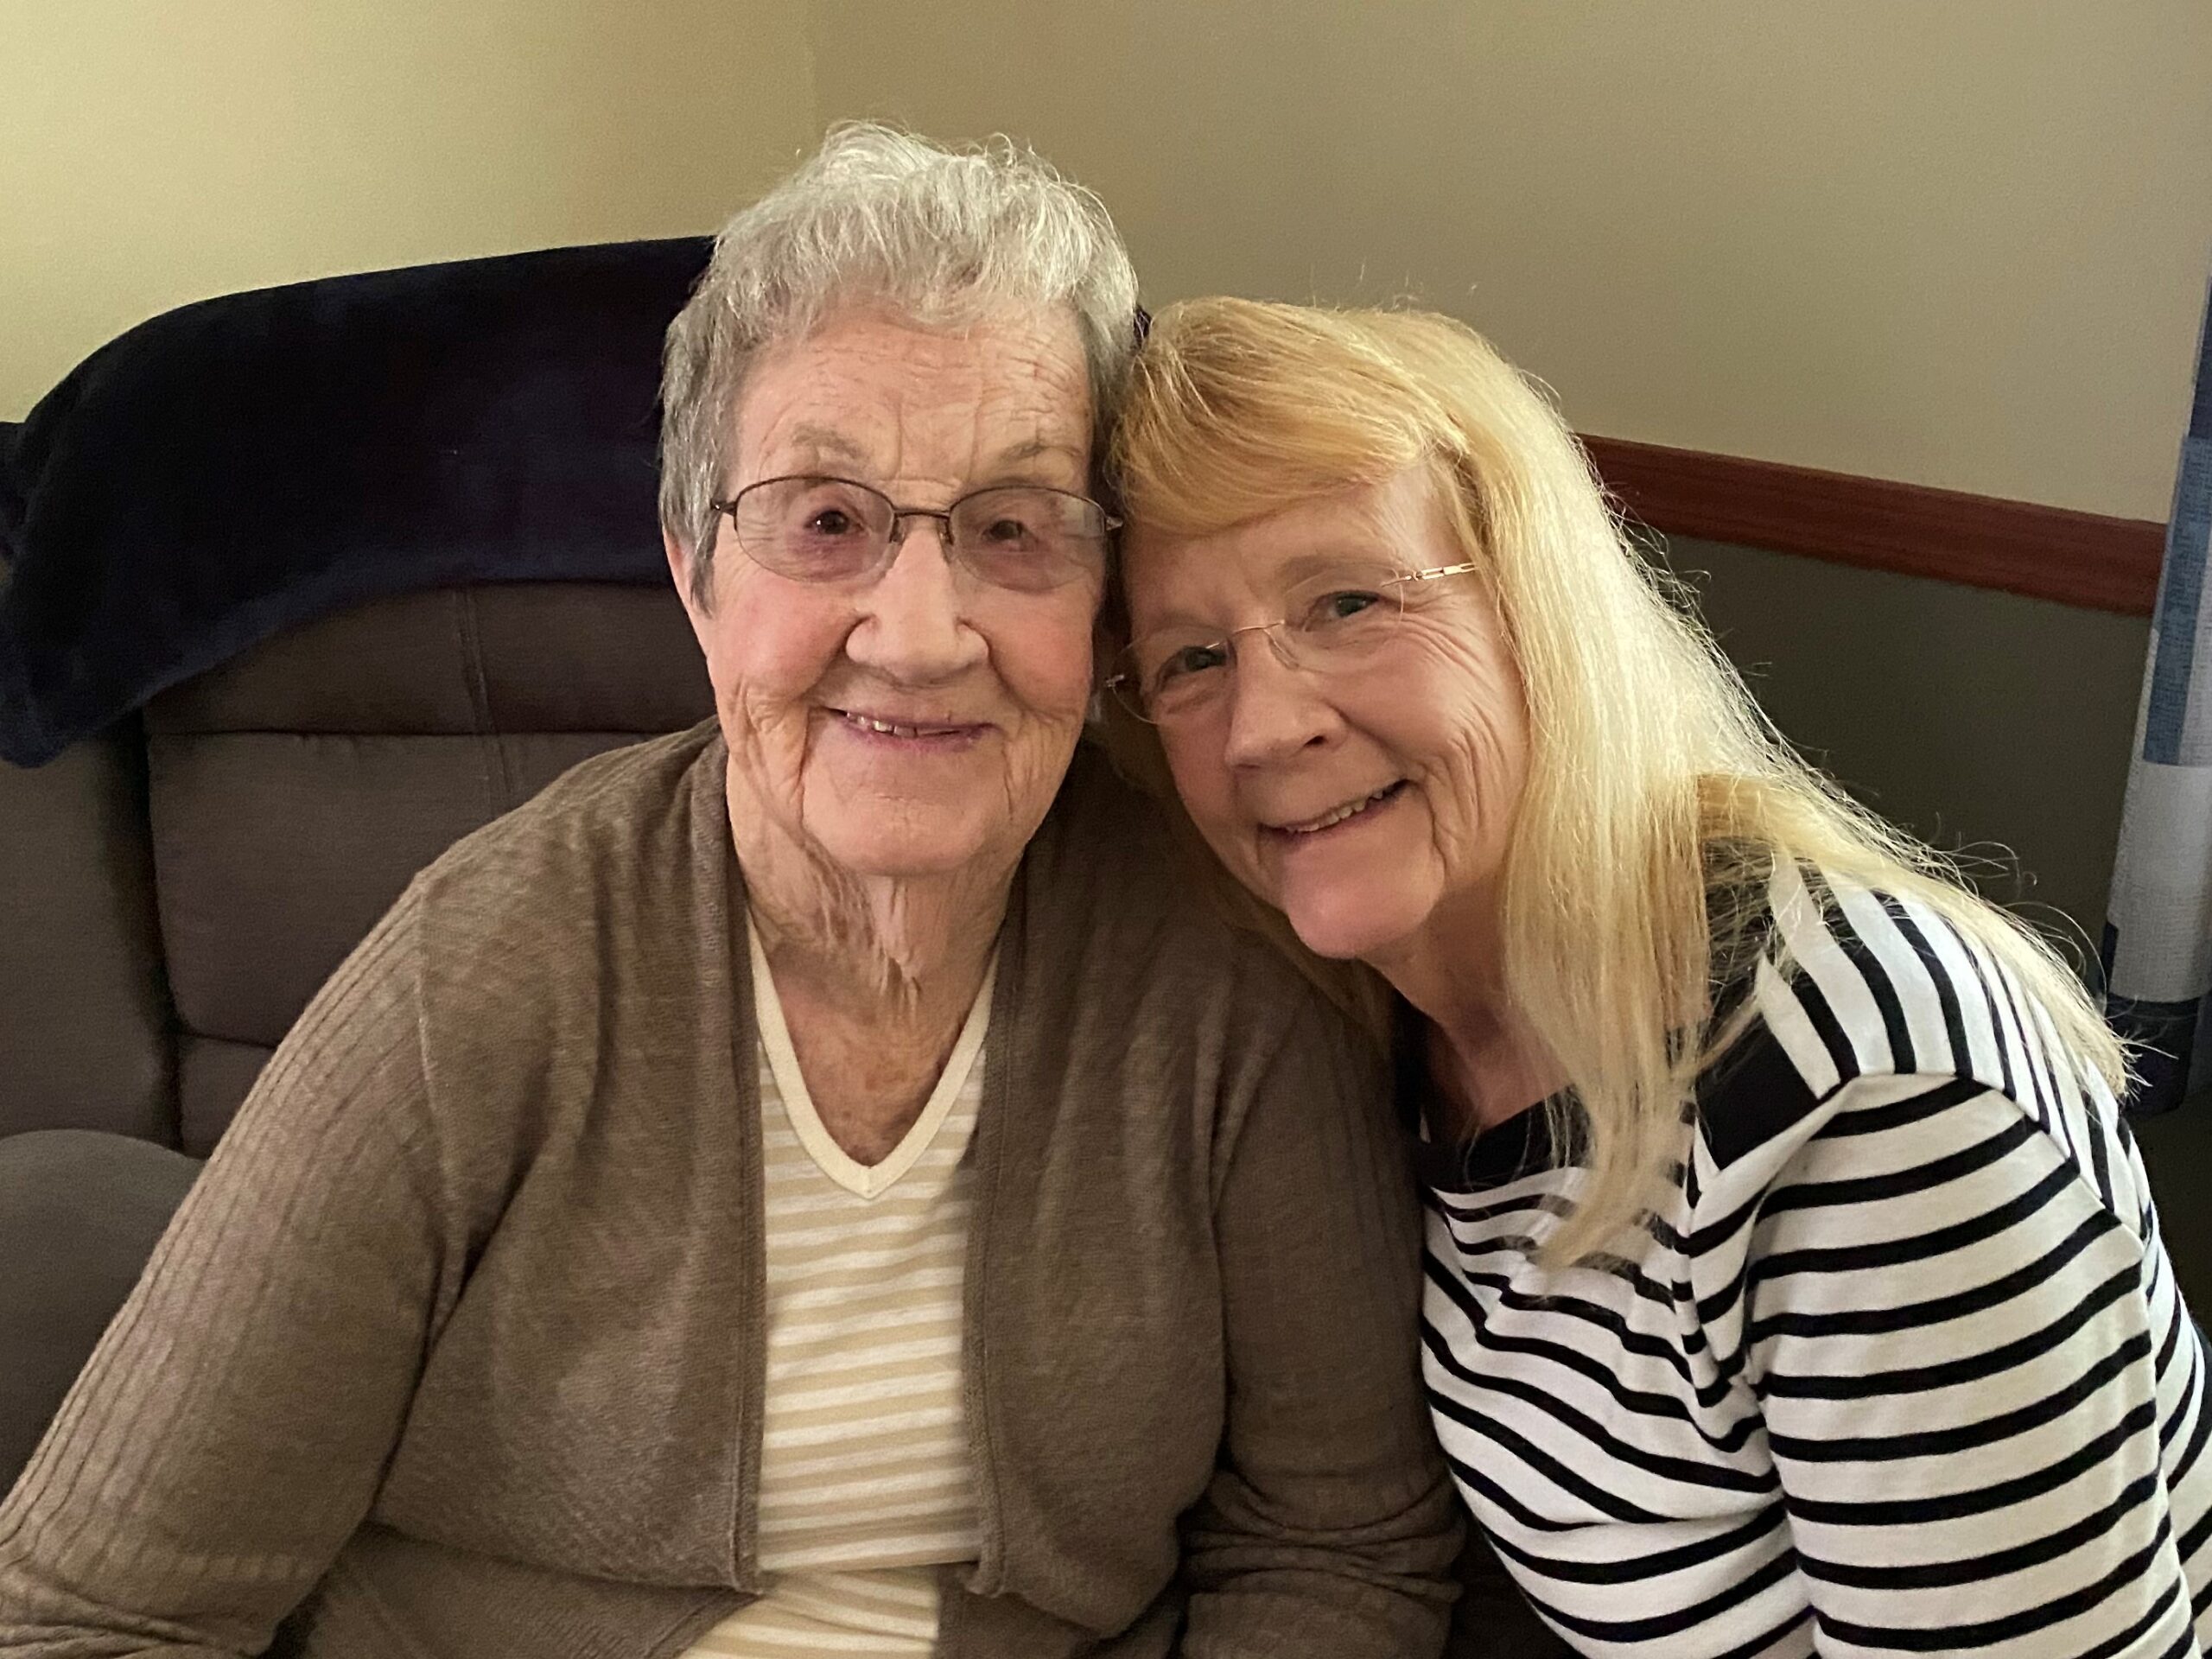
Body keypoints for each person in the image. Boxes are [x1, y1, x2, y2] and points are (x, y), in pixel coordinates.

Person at [0, 132, 1467, 1659]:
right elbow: (96, 1613)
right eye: (824, 521)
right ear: (695, 576)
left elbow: (1341, 1546)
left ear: (1101, 594)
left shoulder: (1219, 971)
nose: (916, 632)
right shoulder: (480, 978)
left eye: (1012, 528)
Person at [1105, 294, 2212, 1656]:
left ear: (1538, 609)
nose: (1266, 724)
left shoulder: (1860, 1109)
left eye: (1348, 600)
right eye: (1193, 659)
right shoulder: (1391, 1036)